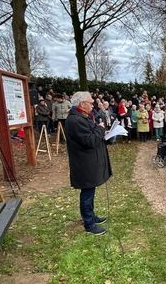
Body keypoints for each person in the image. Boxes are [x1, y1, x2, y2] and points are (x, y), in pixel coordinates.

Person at [65, 91, 111, 235]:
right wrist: (101, 128)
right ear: (81, 104)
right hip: (83, 163)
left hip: (88, 161)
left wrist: (99, 129)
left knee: (90, 191)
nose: (93, 105)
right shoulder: (75, 120)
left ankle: (91, 216)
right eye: (90, 102)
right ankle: (89, 224)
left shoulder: (83, 116)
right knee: (87, 193)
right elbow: (89, 140)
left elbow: (91, 134)